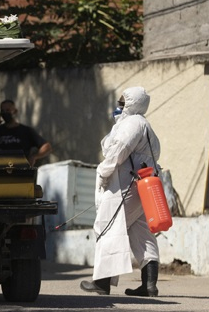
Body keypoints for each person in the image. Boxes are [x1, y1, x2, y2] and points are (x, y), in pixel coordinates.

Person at [80, 86, 161, 297]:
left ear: (132, 103)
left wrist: (104, 172)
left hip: (125, 185)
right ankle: (149, 285)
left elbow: (119, 150)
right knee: (142, 233)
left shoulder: (132, 123)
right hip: (142, 185)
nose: (119, 105)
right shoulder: (144, 125)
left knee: (106, 226)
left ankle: (102, 282)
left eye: (123, 101)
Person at [0, 99, 52, 166]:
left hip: (21, 169)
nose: (5, 113)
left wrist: (34, 157)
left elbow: (46, 147)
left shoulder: (26, 131)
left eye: (8, 110)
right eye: (3, 111)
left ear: (15, 112)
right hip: (1, 168)